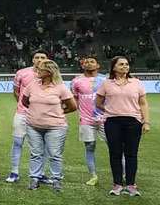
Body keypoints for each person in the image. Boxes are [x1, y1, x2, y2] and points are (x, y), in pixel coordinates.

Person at [96, 56, 151, 196]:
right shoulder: (106, 83)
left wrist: (146, 122)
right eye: (121, 64)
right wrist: (111, 110)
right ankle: (117, 184)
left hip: (133, 122)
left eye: (126, 64)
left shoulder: (136, 83)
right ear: (114, 67)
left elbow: (143, 103)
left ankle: (131, 184)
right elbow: (98, 102)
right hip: (112, 122)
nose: (125, 66)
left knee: (131, 154)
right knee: (115, 153)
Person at [22, 59, 76, 192]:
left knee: (54, 154)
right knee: (35, 153)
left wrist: (58, 113)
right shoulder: (32, 85)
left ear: (49, 72)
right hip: (33, 126)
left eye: (41, 69)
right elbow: (25, 101)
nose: (37, 71)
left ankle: (56, 180)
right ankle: (34, 179)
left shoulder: (60, 87)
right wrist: (36, 111)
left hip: (56, 127)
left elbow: (73, 106)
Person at [6, 50, 49, 183]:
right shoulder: (22, 73)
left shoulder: (50, 74)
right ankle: (14, 172)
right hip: (22, 113)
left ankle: (40, 173)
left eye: (43, 57)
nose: (40, 60)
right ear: (32, 60)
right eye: (37, 57)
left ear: (47, 60)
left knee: (41, 145)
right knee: (18, 142)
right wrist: (23, 105)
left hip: (41, 115)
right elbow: (16, 92)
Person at [70, 53, 107, 185]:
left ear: (98, 65)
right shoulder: (76, 81)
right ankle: (93, 175)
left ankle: (124, 174)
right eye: (86, 62)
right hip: (86, 120)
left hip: (106, 119)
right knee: (89, 147)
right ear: (82, 65)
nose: (89, 63)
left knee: (115, 147)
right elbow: (74, 100)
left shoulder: (106, 80)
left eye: (92, 61)